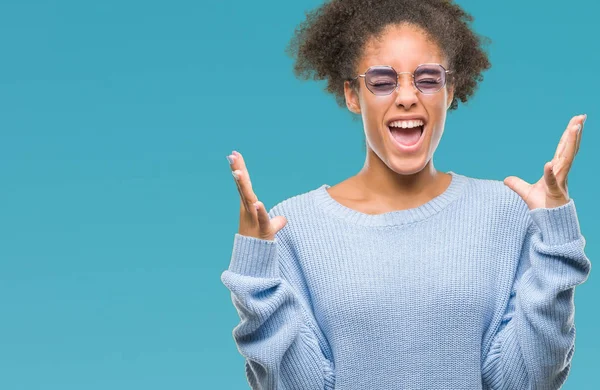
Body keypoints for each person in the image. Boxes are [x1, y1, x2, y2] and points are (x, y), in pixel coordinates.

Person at [220, 0, 591, 389]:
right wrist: (255, 275)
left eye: (428, 78)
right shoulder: (292, 227)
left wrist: (555, 244)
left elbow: (527, 381)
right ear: (351, 94)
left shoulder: (505, 213)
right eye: (382, 81)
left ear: (449, 91)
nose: (407, 96)